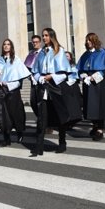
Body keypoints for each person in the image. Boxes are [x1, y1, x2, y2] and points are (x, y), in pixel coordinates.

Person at [31, 28, 81, 156]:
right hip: (43, 87)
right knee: (42, 117)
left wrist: (51, 76)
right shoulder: (41, 52)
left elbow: (64, 73)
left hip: (57, 88)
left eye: (46, 35)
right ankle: (39, 146)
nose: (44, 38)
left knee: (60, 116)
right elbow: (35, 71)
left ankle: (62, 142)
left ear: (52, 36)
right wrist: (40, 78)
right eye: (43, 36)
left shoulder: (60, 51)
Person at [76, 33, 105, 141]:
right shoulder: (85, 55)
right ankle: (95, 125)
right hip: (88, 83)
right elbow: (80, 69)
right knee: (90, 106)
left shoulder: (102, 52)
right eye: (86, 40)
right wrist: (84, 75)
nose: (88, 42)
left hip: (100, 83)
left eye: (90, 40)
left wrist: (97, 76)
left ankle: (100, 129)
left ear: (94, 40)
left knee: (100, 106)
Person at [0, 38, 31, 146]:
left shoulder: (16, 60)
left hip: (13, 91)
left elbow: (20, 78)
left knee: (15, 113)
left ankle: (20, 132)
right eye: (4, 44)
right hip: (0, 91)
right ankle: (6, 138)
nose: (6, 46)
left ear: (11, 47)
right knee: (2, 115)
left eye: (8, 44)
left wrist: (9, 84)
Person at [24, 34, 42, 117]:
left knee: (42, 103)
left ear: (40, 42)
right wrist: (30, 76)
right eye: (33, 42)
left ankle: (43, 122)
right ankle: (39, 118)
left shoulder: (44, 52)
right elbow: (26, 68)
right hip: (33, 81)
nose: (35, 44)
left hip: (42, 80)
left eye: (37, 42)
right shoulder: (31, 54)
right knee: (33, 101)